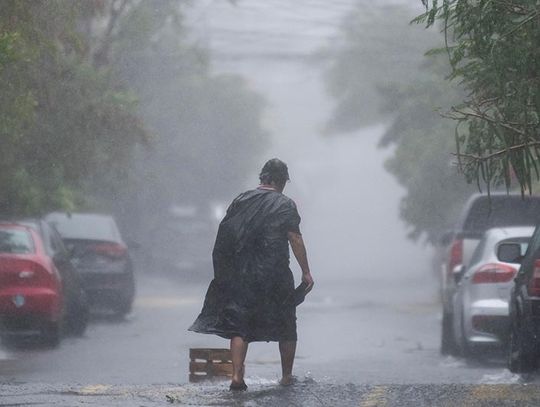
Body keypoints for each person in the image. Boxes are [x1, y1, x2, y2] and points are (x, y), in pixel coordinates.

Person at [189, 158, 314, 391]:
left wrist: (224, 273)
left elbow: (224, 236)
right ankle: (286, 377)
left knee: (240, 325)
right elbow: (295, 238)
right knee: (286, 323)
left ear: (263, 178)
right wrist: (306, 272)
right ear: (280, 181)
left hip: (243, 274)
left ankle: (236, 376)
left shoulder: (240, 200)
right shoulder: (286, 204)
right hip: (275, 274)